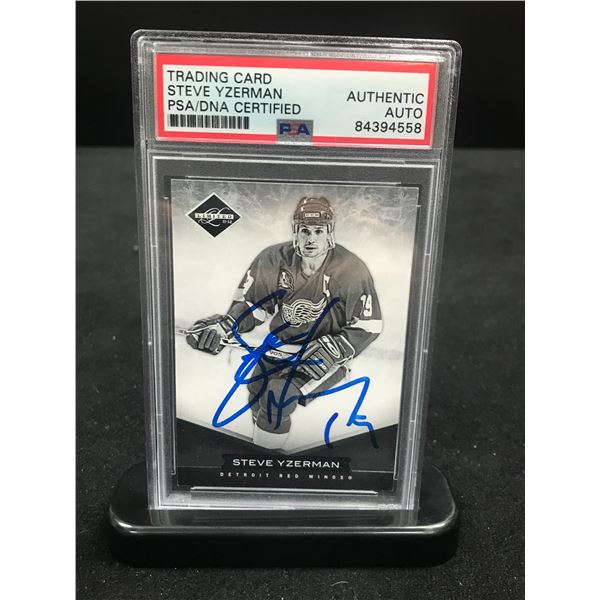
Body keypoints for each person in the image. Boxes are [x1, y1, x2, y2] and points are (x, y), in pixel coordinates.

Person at [186, 196, 382, 449]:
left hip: (322, 356)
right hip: (280, 346)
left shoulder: (350, 269)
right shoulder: (273, 258)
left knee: (277, 398)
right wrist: (225, 325)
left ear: (329, 233)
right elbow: (255, 306)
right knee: (257, 392)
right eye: (305, 231)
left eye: (318, 231)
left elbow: (368, 324)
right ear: (295, 231)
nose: (311, 239)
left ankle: (266, 459)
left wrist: (336, 349)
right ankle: (264, 448)